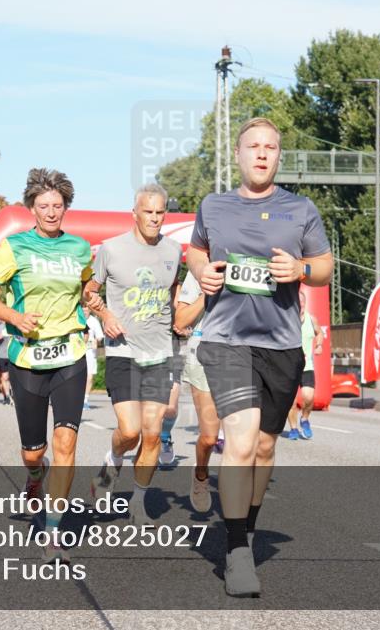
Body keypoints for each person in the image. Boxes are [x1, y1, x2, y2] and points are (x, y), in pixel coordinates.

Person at [186, 117, 333, 596]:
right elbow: (195, 251)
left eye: (271, 147)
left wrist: (301, 268)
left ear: (278, 156)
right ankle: (236, 552)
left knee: (266, 448)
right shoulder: (214, 205)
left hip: (282, 343)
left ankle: (244, 528)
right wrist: (204, 270)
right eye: (254, 146)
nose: (262, 154)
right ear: (238, 153)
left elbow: (325, 267)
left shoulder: (300, 209)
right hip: (227, 338)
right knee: (242, 442)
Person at [0, 167, 94, 563]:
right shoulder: (13, 247)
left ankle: (54, 530)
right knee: (34, 451)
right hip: (27, 357)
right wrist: (13, 317)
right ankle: (33, 475)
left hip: (70, 355)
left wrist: (95, 303)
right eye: (44, 205)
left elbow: (86, 289)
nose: (51, 212)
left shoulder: (79, 249)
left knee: (66, 443)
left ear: (66, 207)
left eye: (58, 205)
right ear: (32, 208)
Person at [84, 183, 181, 525]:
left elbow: (173, 292)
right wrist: (106, 315)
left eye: (159, 212)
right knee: (130, 431)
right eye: (148, 212)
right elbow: (88, 292)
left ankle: (138, 501)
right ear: (135, 213)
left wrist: (181, 324)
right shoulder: (111, 249)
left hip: (159, 353)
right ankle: (111, 462)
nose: (154, 218)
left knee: (153, 433)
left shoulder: (174, 250)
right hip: (122, 351)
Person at [175, 271, 219, 513]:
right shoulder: (199, 270)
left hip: (243, 356)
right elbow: (181, 321)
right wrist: (207, 293)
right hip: (202, 355)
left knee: (241, 439)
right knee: (210, 437)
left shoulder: (250, 258)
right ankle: (201, 474)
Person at [283, 290, 324, 440]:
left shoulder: (311, 319)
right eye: (297, 303)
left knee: (308, 398)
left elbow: (319, 333)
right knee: (291, 402)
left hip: (306, 366)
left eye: (302, 303)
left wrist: (319, 345)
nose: (300, 305)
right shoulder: (286, 319)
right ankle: (293, 429)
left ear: (305, 303)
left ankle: (305, 419)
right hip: (289, 367)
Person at [159, 333, 185, 466]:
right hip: (141, 354)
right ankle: (150, 440)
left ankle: (164, 437)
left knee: (170, 408)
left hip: (170, 354)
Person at [83, 314, 104, 410]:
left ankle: (85, 401)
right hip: (77, 351)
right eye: (83, 308)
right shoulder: (76, 316)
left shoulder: (94, 321)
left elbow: (100, 336)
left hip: (90, 352)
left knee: (89, 376)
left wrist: (97, 341)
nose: (85, 310)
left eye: (87, 308)